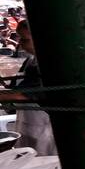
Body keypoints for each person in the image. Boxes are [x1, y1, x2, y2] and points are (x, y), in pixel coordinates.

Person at [0, 20, 55, 156]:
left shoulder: (51, 63)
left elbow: (24, 94)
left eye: (25, 39)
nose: (20, 44)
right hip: (26, 125)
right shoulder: (30, 61)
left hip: (45, 130)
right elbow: (15, 90)